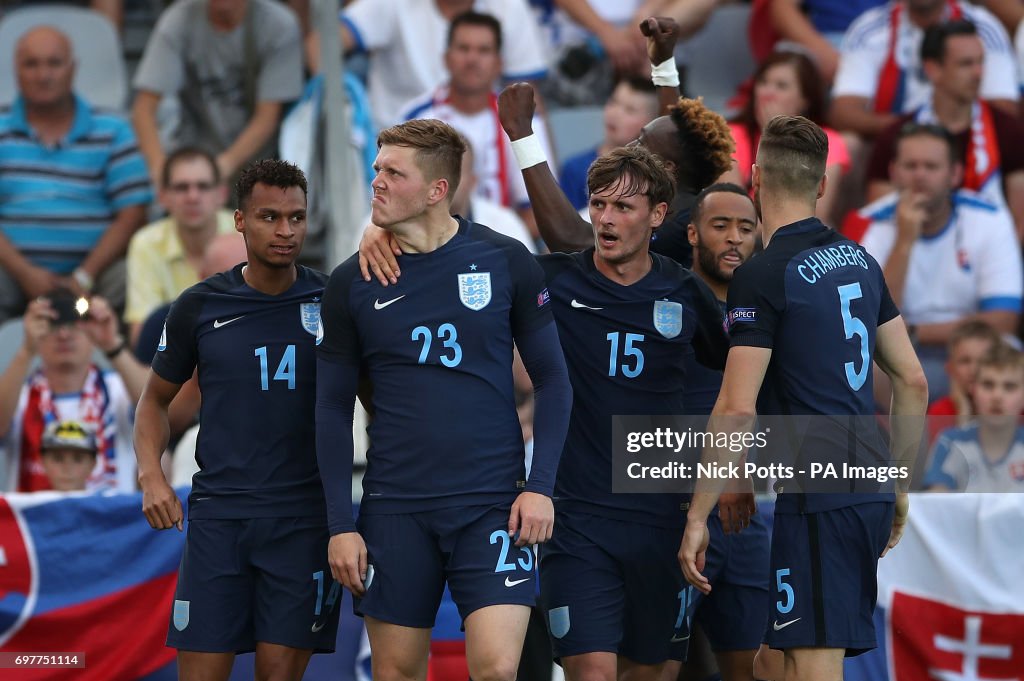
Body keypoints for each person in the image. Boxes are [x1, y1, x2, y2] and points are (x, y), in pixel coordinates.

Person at [315, 118, 572, 681]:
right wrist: (340, 523)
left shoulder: (505, 259)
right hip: (395, 506)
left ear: (437, 190)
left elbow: (553, 379)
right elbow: (332, 408)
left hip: (492, 503)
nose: (376, 181)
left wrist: (541, 487)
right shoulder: (351, 282)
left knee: (498, 670)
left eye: (392, 172)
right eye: (377, 168)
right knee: (397, 673)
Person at [678, 115, 929, 681]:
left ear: (757, 178)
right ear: (820, 185)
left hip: (822, 495)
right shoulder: (861, 260)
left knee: (812, 665)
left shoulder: (763, 274)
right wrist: (899, 482)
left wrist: (698, 513)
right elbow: (913, 381)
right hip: (858, 486)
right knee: (774, 664)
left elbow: (736, 408)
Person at [134, 159, 339, 679]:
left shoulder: (334, 301)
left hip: (303, 520)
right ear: (240, 220)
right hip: (219, 517)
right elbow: (153, 401)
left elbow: (376, 396)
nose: (286, 231)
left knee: (277, 672)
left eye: (297, 217)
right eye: (270, 217)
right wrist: (152, 476)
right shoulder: (198, 307)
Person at [494, 17, 735, 268]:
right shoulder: (681, 197)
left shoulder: (672, 222)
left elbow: (572, 242)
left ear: (668, 167)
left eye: (641, 142)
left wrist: (522, 134)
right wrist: (663, 65)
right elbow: (671, 131)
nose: (631, 146)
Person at [850, 123, 1022, 399]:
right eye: (911, 165)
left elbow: (1003, 321)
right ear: (893, 172)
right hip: (900, 354)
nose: (920, 175)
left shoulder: (990, 219)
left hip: (973, 350)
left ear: (954, 173)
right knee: (859, 363)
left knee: (1008, 352)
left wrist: (917, 331)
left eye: (931, 167)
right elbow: (869, 320)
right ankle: (900, 442)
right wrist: (904, 241)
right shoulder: (869, 223)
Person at [0, 26, 152, 323]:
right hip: (11, 272)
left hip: (99, 275)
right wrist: (24, 271)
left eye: (54, 63)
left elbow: (133, 213)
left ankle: (132, 368)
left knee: (136, 276)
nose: (43, 75)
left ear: (72, 69)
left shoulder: (113, 129)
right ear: (16, 71)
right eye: (32, 64)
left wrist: (84, 276)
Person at [399, 11, 555, 239]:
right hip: (427, 239)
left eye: (483, 50)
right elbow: (400, 197)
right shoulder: (414, 118)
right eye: (464, 49)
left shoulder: (524, 119)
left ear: (499, 63)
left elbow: (540, 208)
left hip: (503, 237)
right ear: (447, 58)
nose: (472, 59)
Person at [864, 20, 1024, 239]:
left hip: (990, 255)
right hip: (914, 256)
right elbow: (881, 221)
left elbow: (1020, 221)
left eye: (981, 62)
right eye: (966, 64)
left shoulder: (1008, 130)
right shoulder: (895, 136)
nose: (978, 73)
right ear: (933, 70)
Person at [131, 0, 304, 185]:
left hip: (263, 166)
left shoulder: (279, 24)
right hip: (195, 156)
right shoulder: (178, 19)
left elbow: (268, 116)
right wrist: (162, 172)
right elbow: (143, 110)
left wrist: (219, 169)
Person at [309, 0, 548, 130]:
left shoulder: (509, 6)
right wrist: (341, 107)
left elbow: (526, 94)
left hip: (485, 138)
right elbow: (319, 45)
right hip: (395, 144)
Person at [0, 289, 147, 493]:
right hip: (37, 521)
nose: (63, 334)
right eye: (52, 326)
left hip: (109, 521)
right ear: (37, 335)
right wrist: (26, 350)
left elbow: (162, 410)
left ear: (90, 335)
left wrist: (112, 344)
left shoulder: (117, 388)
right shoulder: (20, 394)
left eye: (74, 325)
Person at [830, 0, 1017, 140]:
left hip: (968, 138)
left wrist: (949, 132)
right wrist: (916, 130)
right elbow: (844, 113)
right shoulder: (868, 29)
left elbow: (1005, 109)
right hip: (893, 142)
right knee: (849, 143)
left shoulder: (984, 28)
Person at [720, 49, 850, 227]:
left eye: (781, 86)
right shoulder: (728, 134)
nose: (767, 93)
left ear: (805, 99)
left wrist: (776, 138)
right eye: (763, 82)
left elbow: (814, 213)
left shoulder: (828, 141)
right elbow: (732, 209)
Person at [125, 147, 237, 347]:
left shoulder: (245, 236)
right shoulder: (146, 243)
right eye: (181, 188)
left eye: (203, 186)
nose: (192, 197)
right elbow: (142, 340)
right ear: (162, 197)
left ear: (222, 194)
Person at [924, 341, 1024, 491]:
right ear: (973, 388)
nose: (997, 396)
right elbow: (936, 504)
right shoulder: (950, 442)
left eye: (1009, 387)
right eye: (988, 385)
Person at [559, 76, 659, 211]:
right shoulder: (575, 169)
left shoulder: (654, 175)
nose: (615, 113)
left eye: (630, 110)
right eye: (613, 102)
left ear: (650, 124)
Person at [927, 319, 1001, 436]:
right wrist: (963, 411)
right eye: (965, 361)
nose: (973, 370)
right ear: (950, 368)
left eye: (982, 360)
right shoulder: (939, 411)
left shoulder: (1011, 406)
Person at [38, 419, 99, 492]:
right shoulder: (29, 503)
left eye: (78, 459)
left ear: (93, 464)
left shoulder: (112, 503)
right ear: (43, 462)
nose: (67, 468)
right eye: (58, 458)